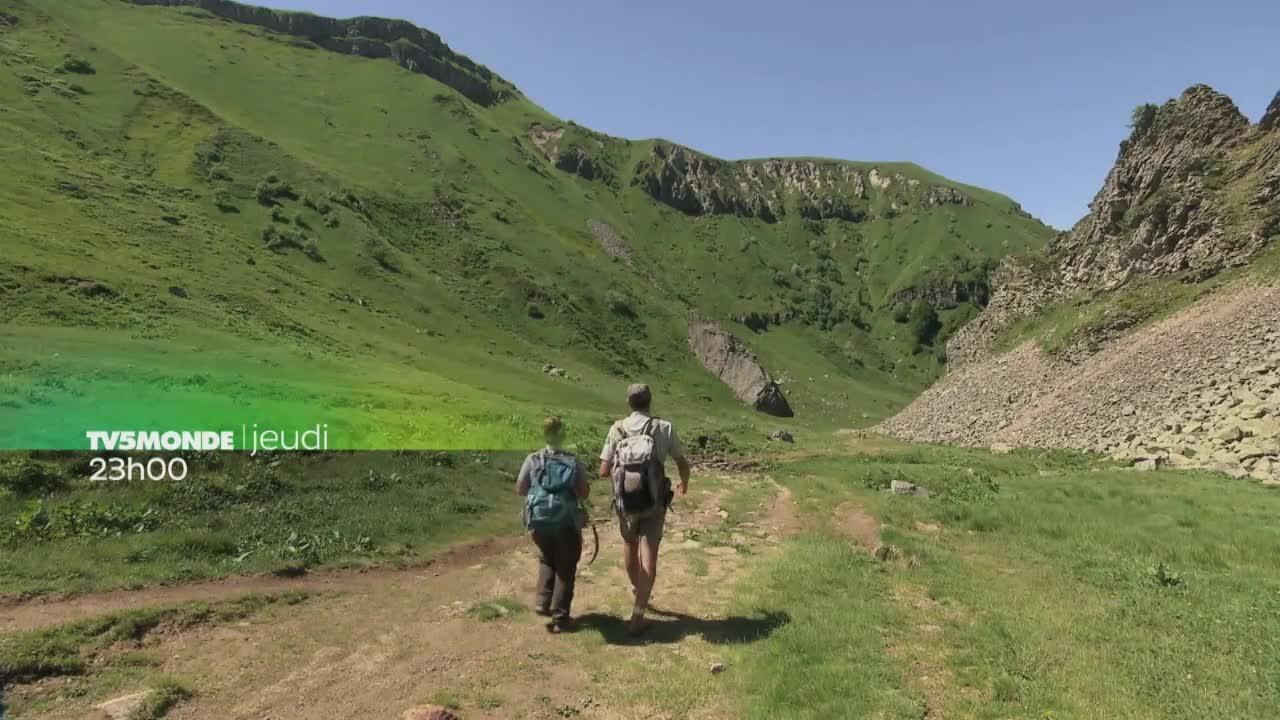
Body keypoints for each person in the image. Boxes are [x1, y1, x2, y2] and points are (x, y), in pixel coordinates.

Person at [599, 383, 691, 635]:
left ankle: (638, 592)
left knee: (629, 547)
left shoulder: (617, 428)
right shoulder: (664, 428)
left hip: (625, 504)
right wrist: (684, 482)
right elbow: (681, 462)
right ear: (650, 401)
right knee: (649, 554)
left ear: (629, 403)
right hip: (654, 502)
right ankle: (638, 614)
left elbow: (603, 470)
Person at [517, 416, 590, 633]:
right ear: (563, 435)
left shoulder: (533, 459)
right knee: (566, 568)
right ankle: (560, 618)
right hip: (566, 522)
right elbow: (583, 492)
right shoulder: (572, 461)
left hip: (539, 521)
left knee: (547, 558)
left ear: (544, 435)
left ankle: (542, 602)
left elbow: (520, 488)